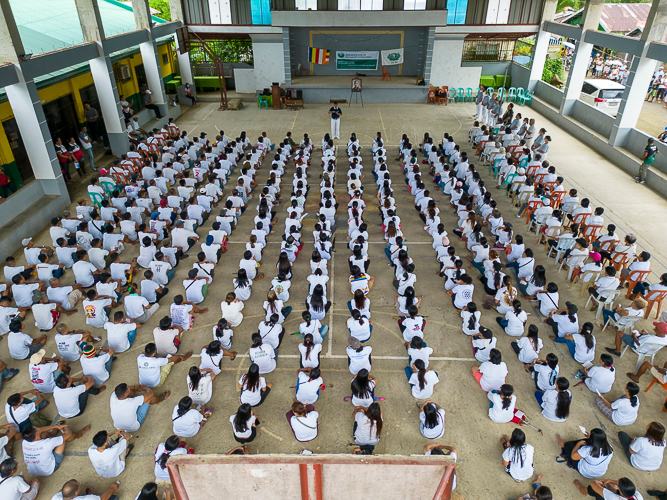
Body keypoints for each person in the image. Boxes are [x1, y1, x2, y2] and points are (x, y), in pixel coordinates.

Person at [21, 423, 90, 476]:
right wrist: (65, 428)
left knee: (43, 434)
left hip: (33, 471)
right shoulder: (46, 443)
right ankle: (79, 434)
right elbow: (68, 434)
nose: (39, 428)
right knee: (63, 439)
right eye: (37, 428)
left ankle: (53, 433)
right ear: (36, 433)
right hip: (49, 469)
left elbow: (40, 430)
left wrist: (56, 427)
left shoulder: (25, 441)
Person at [573, 477, 643, 500]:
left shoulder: (614, 498)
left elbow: (593, 483)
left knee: (594, 489)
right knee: (610, 491)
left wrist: (599, 482)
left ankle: (583, 490)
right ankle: (610, 486)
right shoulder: (638, 496)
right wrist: (610, 481)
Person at [52, 478, 120, 500]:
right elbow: (103, 498)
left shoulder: (55, 497)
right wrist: (112, 488)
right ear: (76, 493)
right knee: (114, 496)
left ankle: (92, 494)